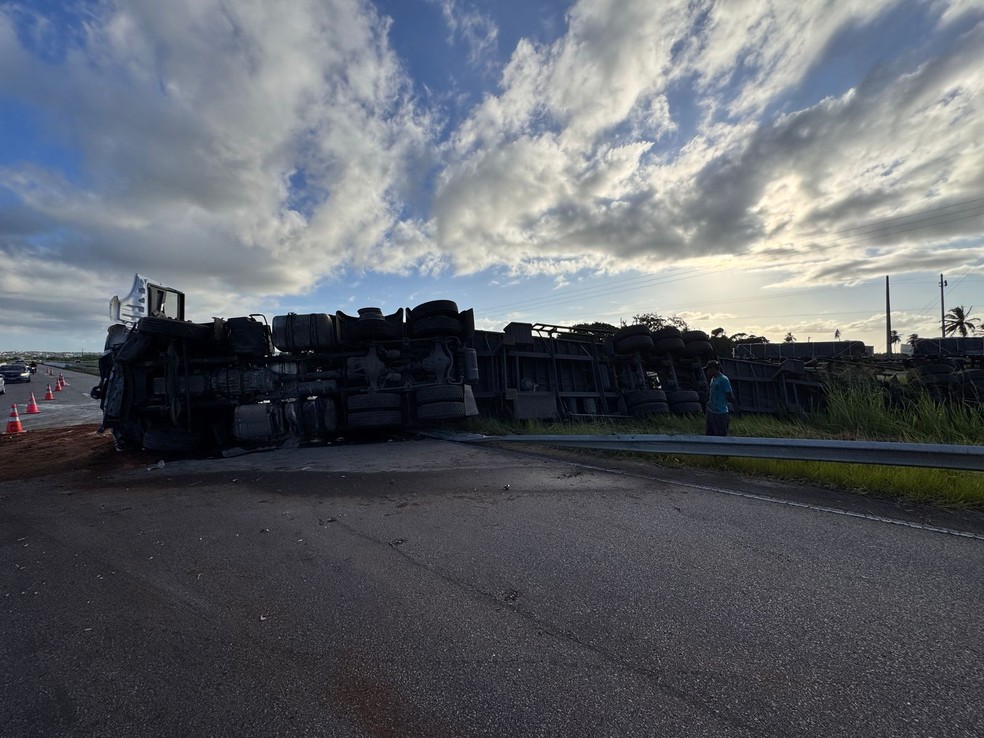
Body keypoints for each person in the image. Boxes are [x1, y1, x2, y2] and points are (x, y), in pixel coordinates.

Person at [704, 360, 736, 436]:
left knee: (720, 435)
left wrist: (723, 402)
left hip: (720, 412)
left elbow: (730, 396)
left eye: (709, 369)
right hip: (711, 411)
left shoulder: (724, 380)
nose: (708, 371)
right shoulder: (713, 379)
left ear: (714, 369)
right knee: (709, 434)